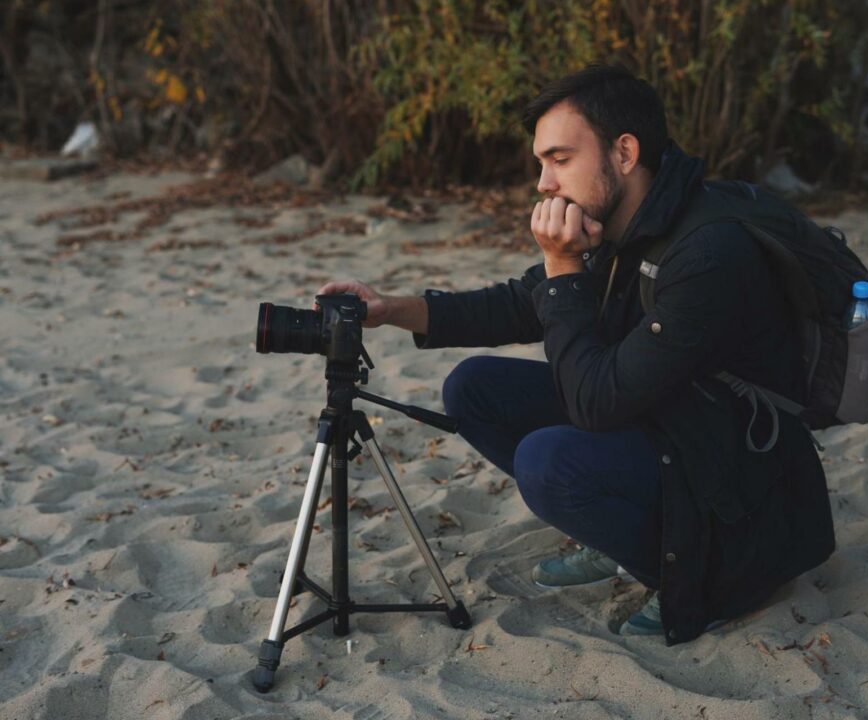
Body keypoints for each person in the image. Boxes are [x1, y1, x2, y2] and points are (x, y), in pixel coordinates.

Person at [315, 64, 835, 643]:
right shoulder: (628, 218)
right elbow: (520, 304)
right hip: (676, 420)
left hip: (739, 483)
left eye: (559, 159)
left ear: (625, 152)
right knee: (473, 389)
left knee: (549, 464)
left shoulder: (706, 252)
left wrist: (564, 269)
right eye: (542, 163)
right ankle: (628, 538)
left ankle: (693, 574)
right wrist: (391, 307)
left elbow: (593, 404)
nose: (543, 182)